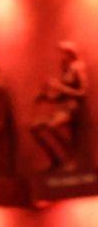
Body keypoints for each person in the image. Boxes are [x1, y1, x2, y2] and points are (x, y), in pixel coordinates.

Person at [32, 42, 88, 173]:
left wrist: (60, 87)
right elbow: (61, 97)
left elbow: (82, 93)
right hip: (65, 107)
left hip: (74, 108)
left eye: (63, 54)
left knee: (51, 126)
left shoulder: (78, 67)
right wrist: (45, 97)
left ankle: (70, 156)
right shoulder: (67, 69)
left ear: (69, 53)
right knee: (35, 127)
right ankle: (56, 159)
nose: (61, 57)